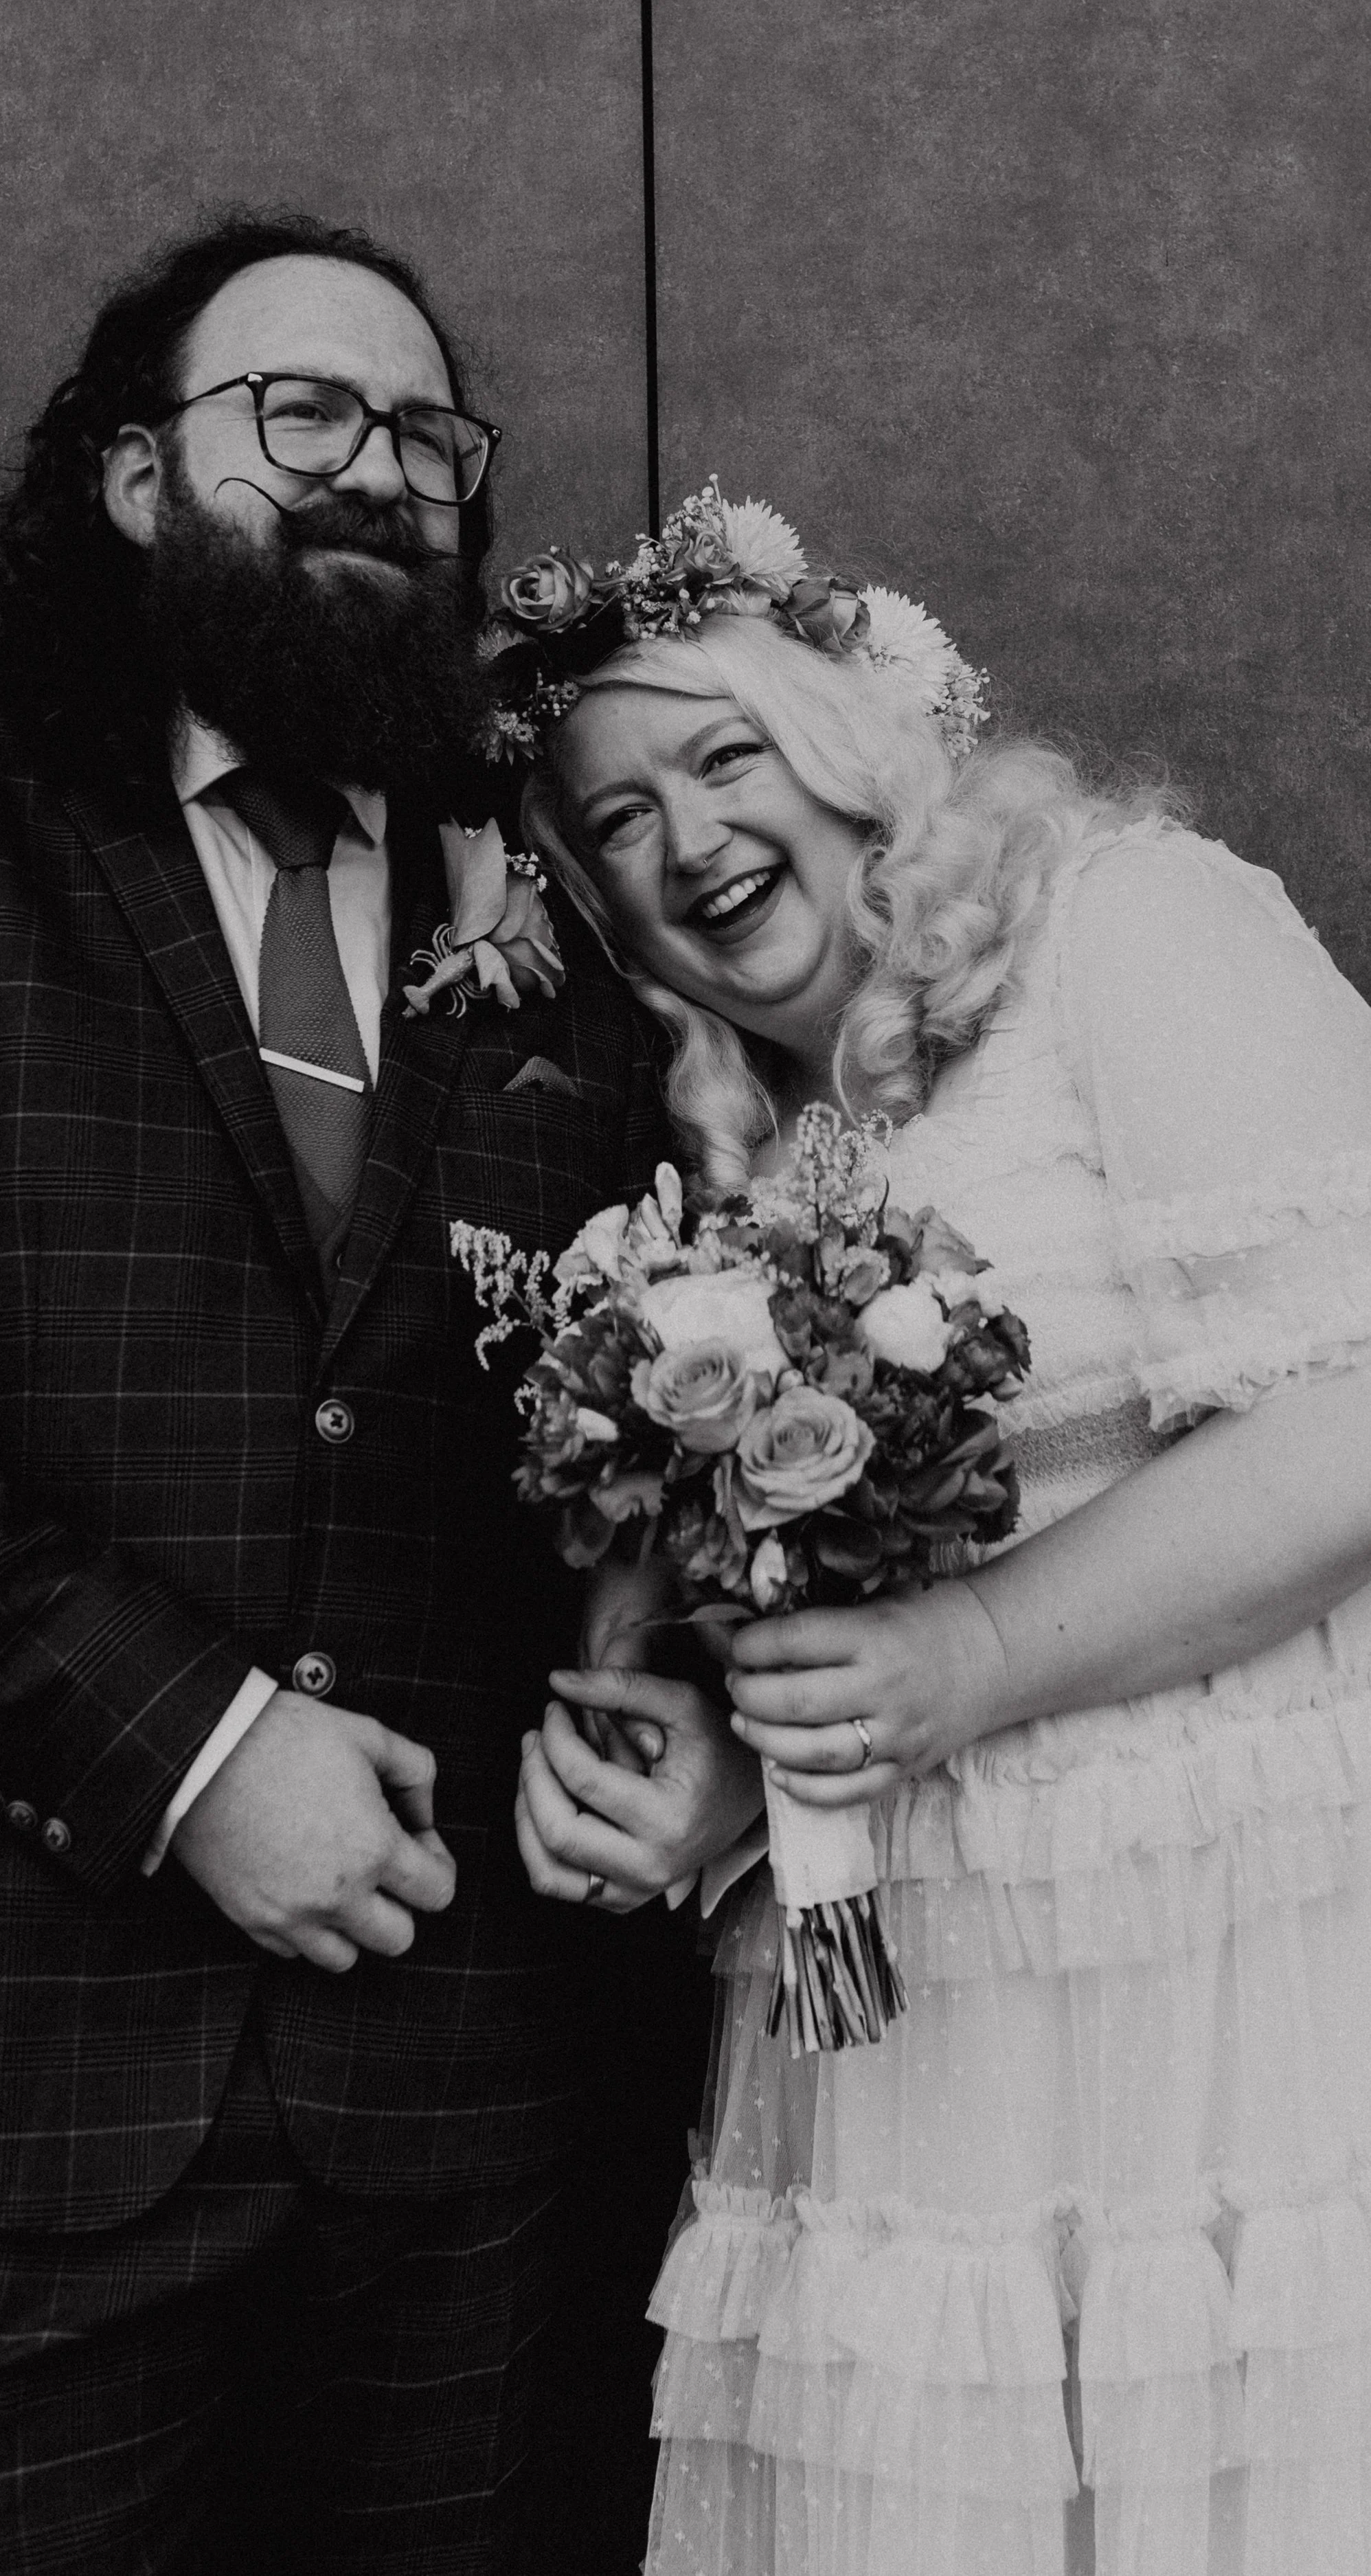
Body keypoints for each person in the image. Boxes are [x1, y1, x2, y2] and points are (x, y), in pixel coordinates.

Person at [0, 207, 714, 2576]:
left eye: (424, 433)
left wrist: (680, 1686)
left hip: (475, 2124)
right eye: (298, 410)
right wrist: (194, 1748)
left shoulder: (568, 892)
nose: (374, 468)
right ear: (137, 479)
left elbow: (671, 1387)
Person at [499, 484, 1371, 2574]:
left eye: (725, 755)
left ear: (851, 742)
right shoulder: (738, 1184)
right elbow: (848, 1627)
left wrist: (967, 1657)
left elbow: (1352, 1422)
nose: (688, 837)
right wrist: (723, 1775)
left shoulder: (1127, 924)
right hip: (927, 2028)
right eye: (618, 822)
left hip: (1235, 1953)